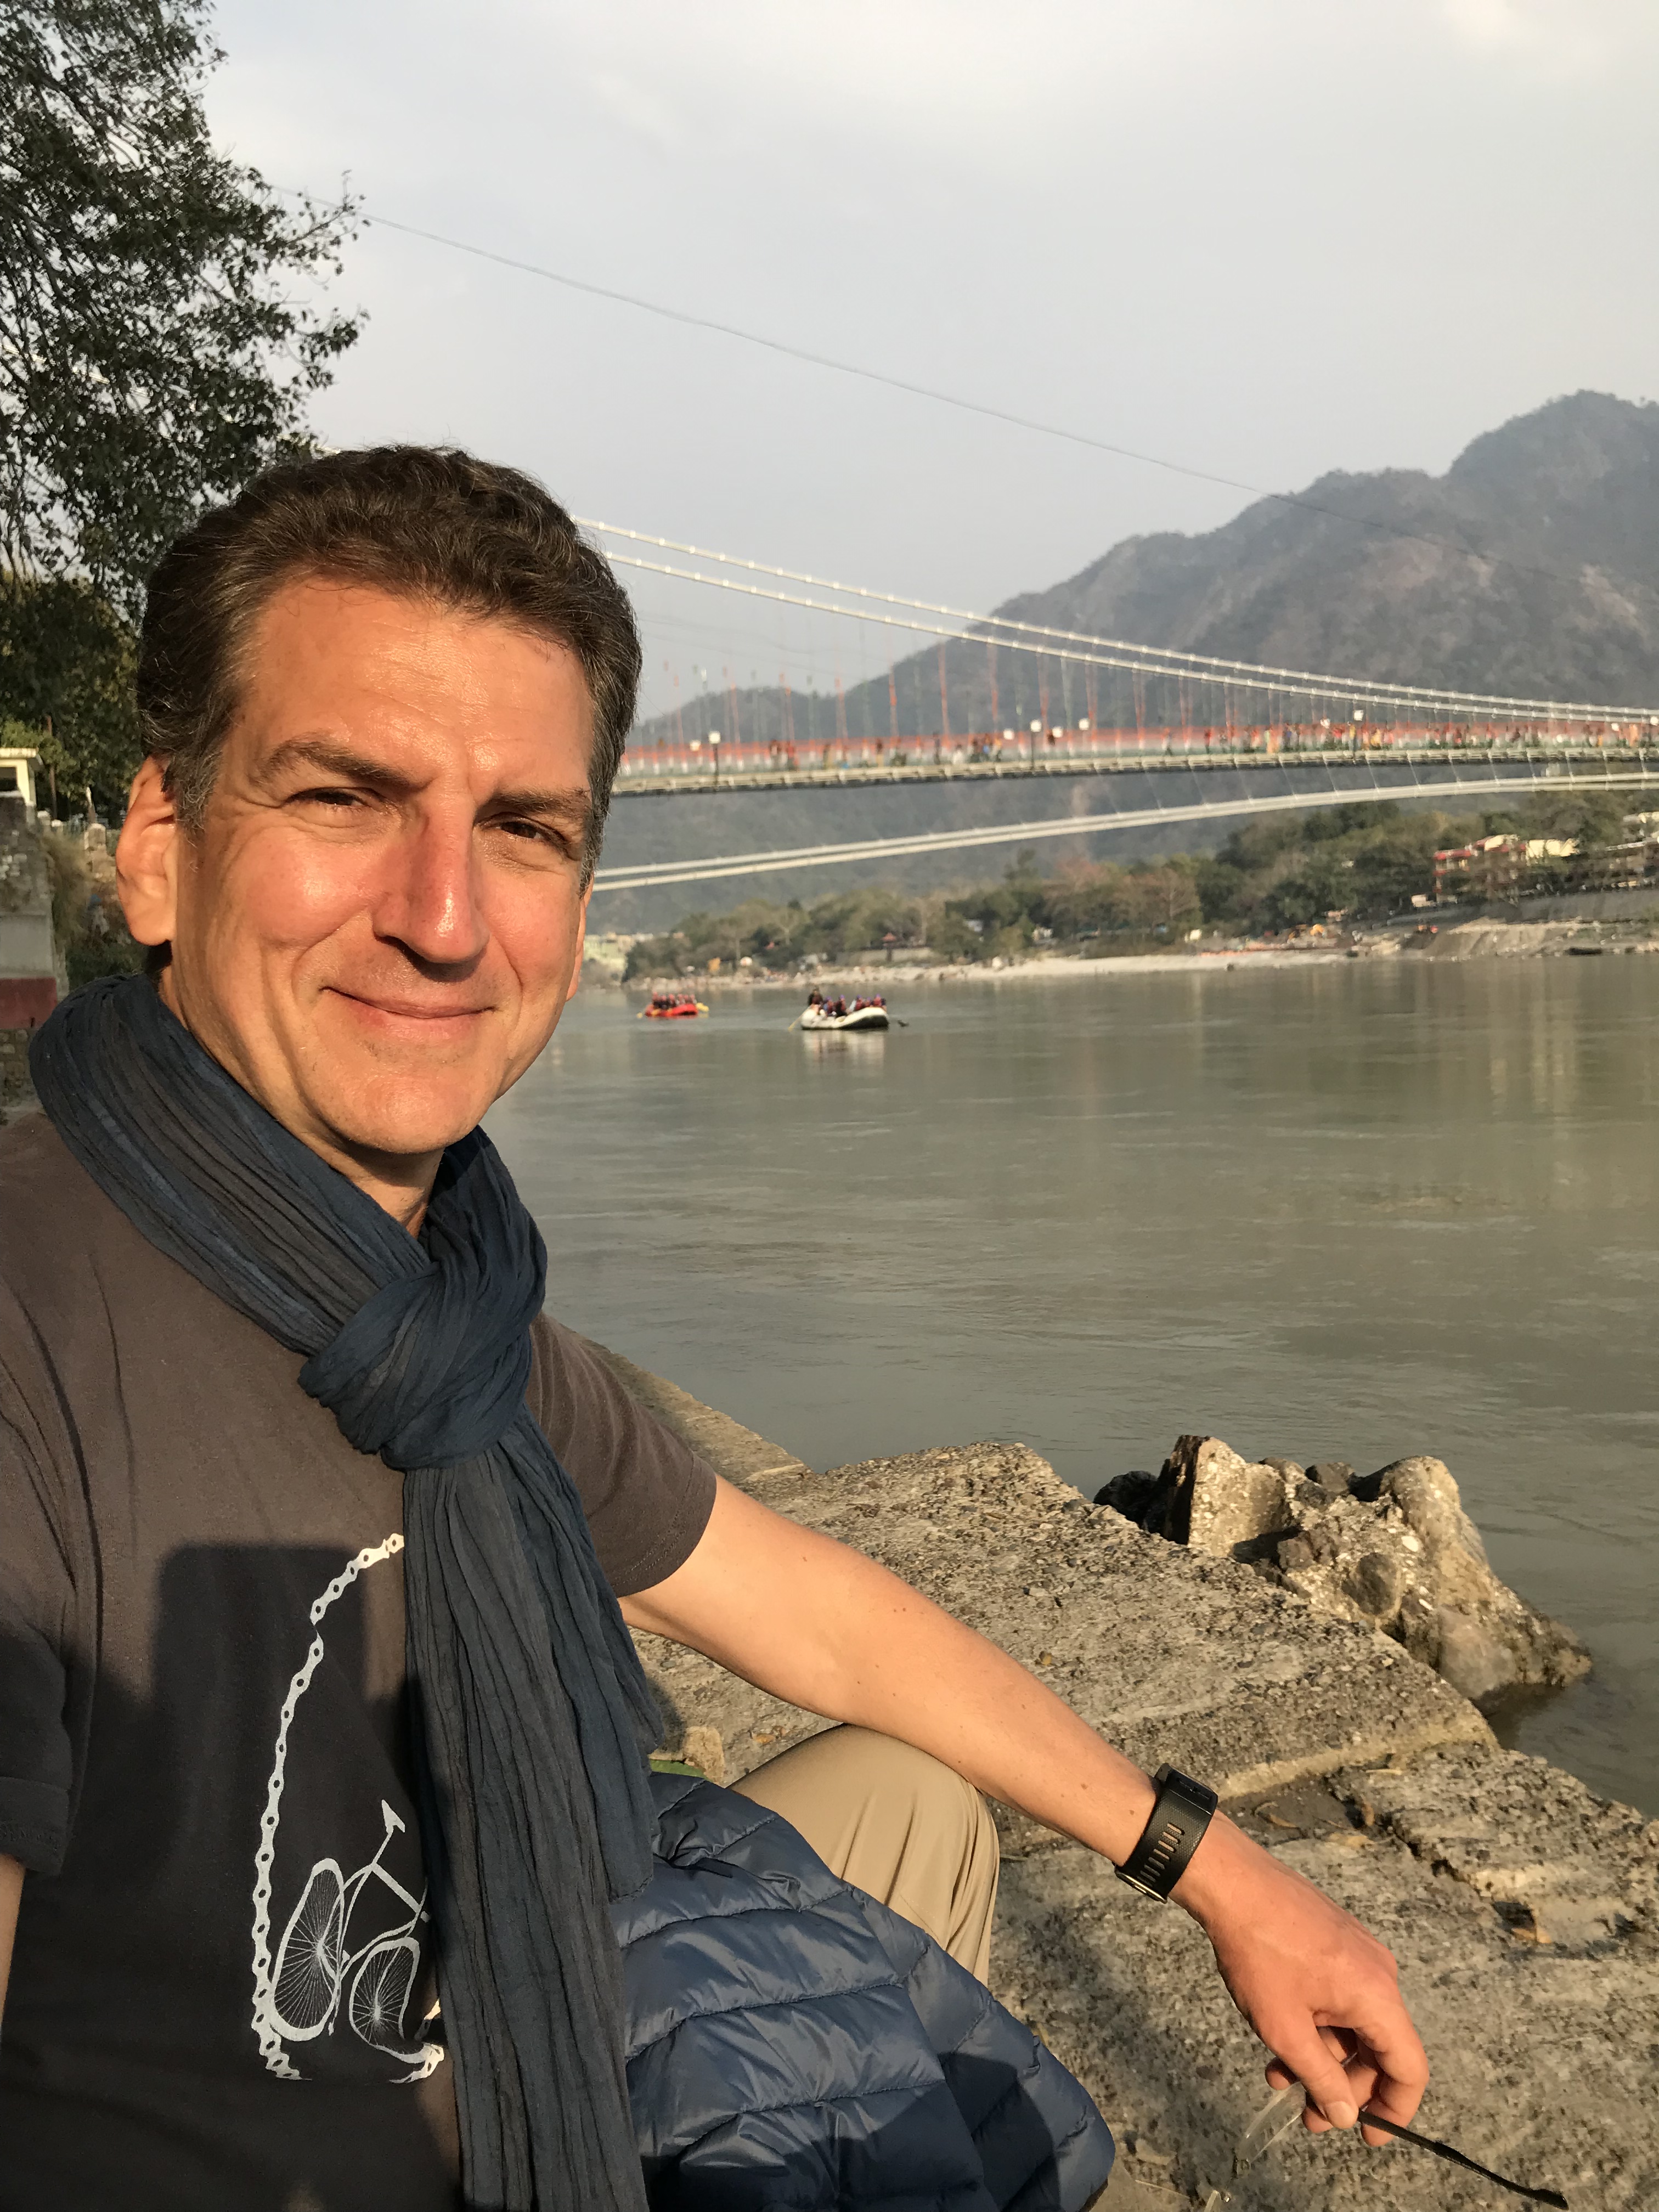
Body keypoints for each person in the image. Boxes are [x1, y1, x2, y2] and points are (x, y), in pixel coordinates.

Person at [0, 448, 1427, 2210]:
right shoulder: (35, 1334)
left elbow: (818, 1616)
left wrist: (1227, 1876)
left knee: (911, 1793)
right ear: (159, 852)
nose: (443, 920)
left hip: (551, 1991)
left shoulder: (447, 1328)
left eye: (522, 831)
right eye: (346, 798)